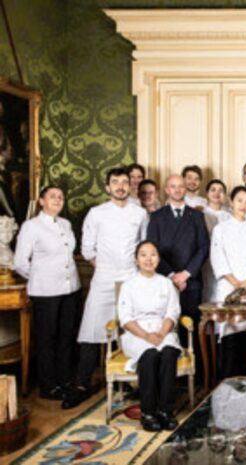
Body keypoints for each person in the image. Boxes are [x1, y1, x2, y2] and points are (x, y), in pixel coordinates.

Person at [64, 168, 147, 409]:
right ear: (108, 187)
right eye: (115, 182)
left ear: (130, 186)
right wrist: (104, 269)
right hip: (103, 278)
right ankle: (82, 383)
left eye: (124, 182)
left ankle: (130, 381)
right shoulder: (96, 213)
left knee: (130, 328)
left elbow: (143, 245)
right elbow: (87, 248)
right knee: (91, 329)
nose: (120, 186)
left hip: (130, 277)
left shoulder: (140, 213)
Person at [13, 186, 81, 400]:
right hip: (45, 292)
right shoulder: (31, 226)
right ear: (41, 201)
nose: (58, 200)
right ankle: (48, 386)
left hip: (70, 289)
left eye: (61, 197)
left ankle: (64, 380)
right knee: (46, 339)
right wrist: (39, 278)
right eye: (52, 196)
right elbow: (20, 262)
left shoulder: (66, 224)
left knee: (66, 337)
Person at [147, 174, 209, 381]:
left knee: (191, 325)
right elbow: (152, 250)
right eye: (172, 186)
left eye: (180, 186)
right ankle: (169, 375)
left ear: (185, 189)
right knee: (167, 324)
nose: (177, 190)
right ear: (166, 189)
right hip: (165, 281)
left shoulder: (196, 216)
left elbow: (203, 247)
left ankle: (195, 375)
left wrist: (186, 273)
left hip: (191, 281)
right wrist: (172, 275)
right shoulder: (157, 217)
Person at [117, 241, 182, 432]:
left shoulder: (166, 283)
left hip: (163, 330)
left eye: (153, 254)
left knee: (169, 353)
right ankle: (148, 412)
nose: (148, 259)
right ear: (136, 259)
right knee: (150, 355)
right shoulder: (129, 285)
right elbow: (125, 318)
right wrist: (146, 336)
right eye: (143, 255)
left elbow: (172, 312)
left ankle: (165, 411)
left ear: (158, 259)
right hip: (137, 333)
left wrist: (161, 333)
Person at [210, 186, 246, 376]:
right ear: (231, 202)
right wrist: (236, 284)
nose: (243, 205)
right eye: (239, 200)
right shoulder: (220, 229)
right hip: (228, 286)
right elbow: (218, 259)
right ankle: (227, 377)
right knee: (229, 331)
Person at [201, 179, 233, 302]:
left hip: (227, 260)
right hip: (206, 260)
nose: (216, 193)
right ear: (207, 193)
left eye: (221, 191)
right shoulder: (200, 214)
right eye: (213, 190)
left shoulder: (229, 216)